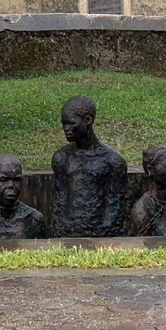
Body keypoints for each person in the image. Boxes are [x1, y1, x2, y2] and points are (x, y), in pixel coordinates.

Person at [52, 95, 128, 237]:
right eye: (64, 124)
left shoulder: (113, 161)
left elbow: (115, 208)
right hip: (68, 233)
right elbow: (59, 203)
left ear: (88, 120)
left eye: (71, 123)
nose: (66, 129)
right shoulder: (61, 158)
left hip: (101, 235)